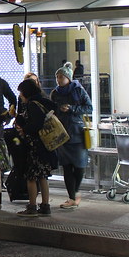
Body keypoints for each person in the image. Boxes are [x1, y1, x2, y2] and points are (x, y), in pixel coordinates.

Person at [13, 77, 58, 216]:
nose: (20, 96)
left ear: (26, 92)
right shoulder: (42, 101)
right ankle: (45, 206)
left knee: (31, 177)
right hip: (44, 147)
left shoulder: (33, 104)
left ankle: (32, 207)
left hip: (35, 147)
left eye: (21, 93)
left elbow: (36, 124)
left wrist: (24, 129)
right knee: (43, 176)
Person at [51, 61, 92, 209]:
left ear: (68, 78)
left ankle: (75, 192)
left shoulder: (78, 90)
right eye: (57, 77)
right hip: (62, 133)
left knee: (80, 166)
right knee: (66, 167)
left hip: (77, 133)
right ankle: (71, 198)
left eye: (61, 77)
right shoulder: (55, 93)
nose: (59, 80)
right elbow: (51, 109)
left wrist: (72, 108)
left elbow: (89, 107)